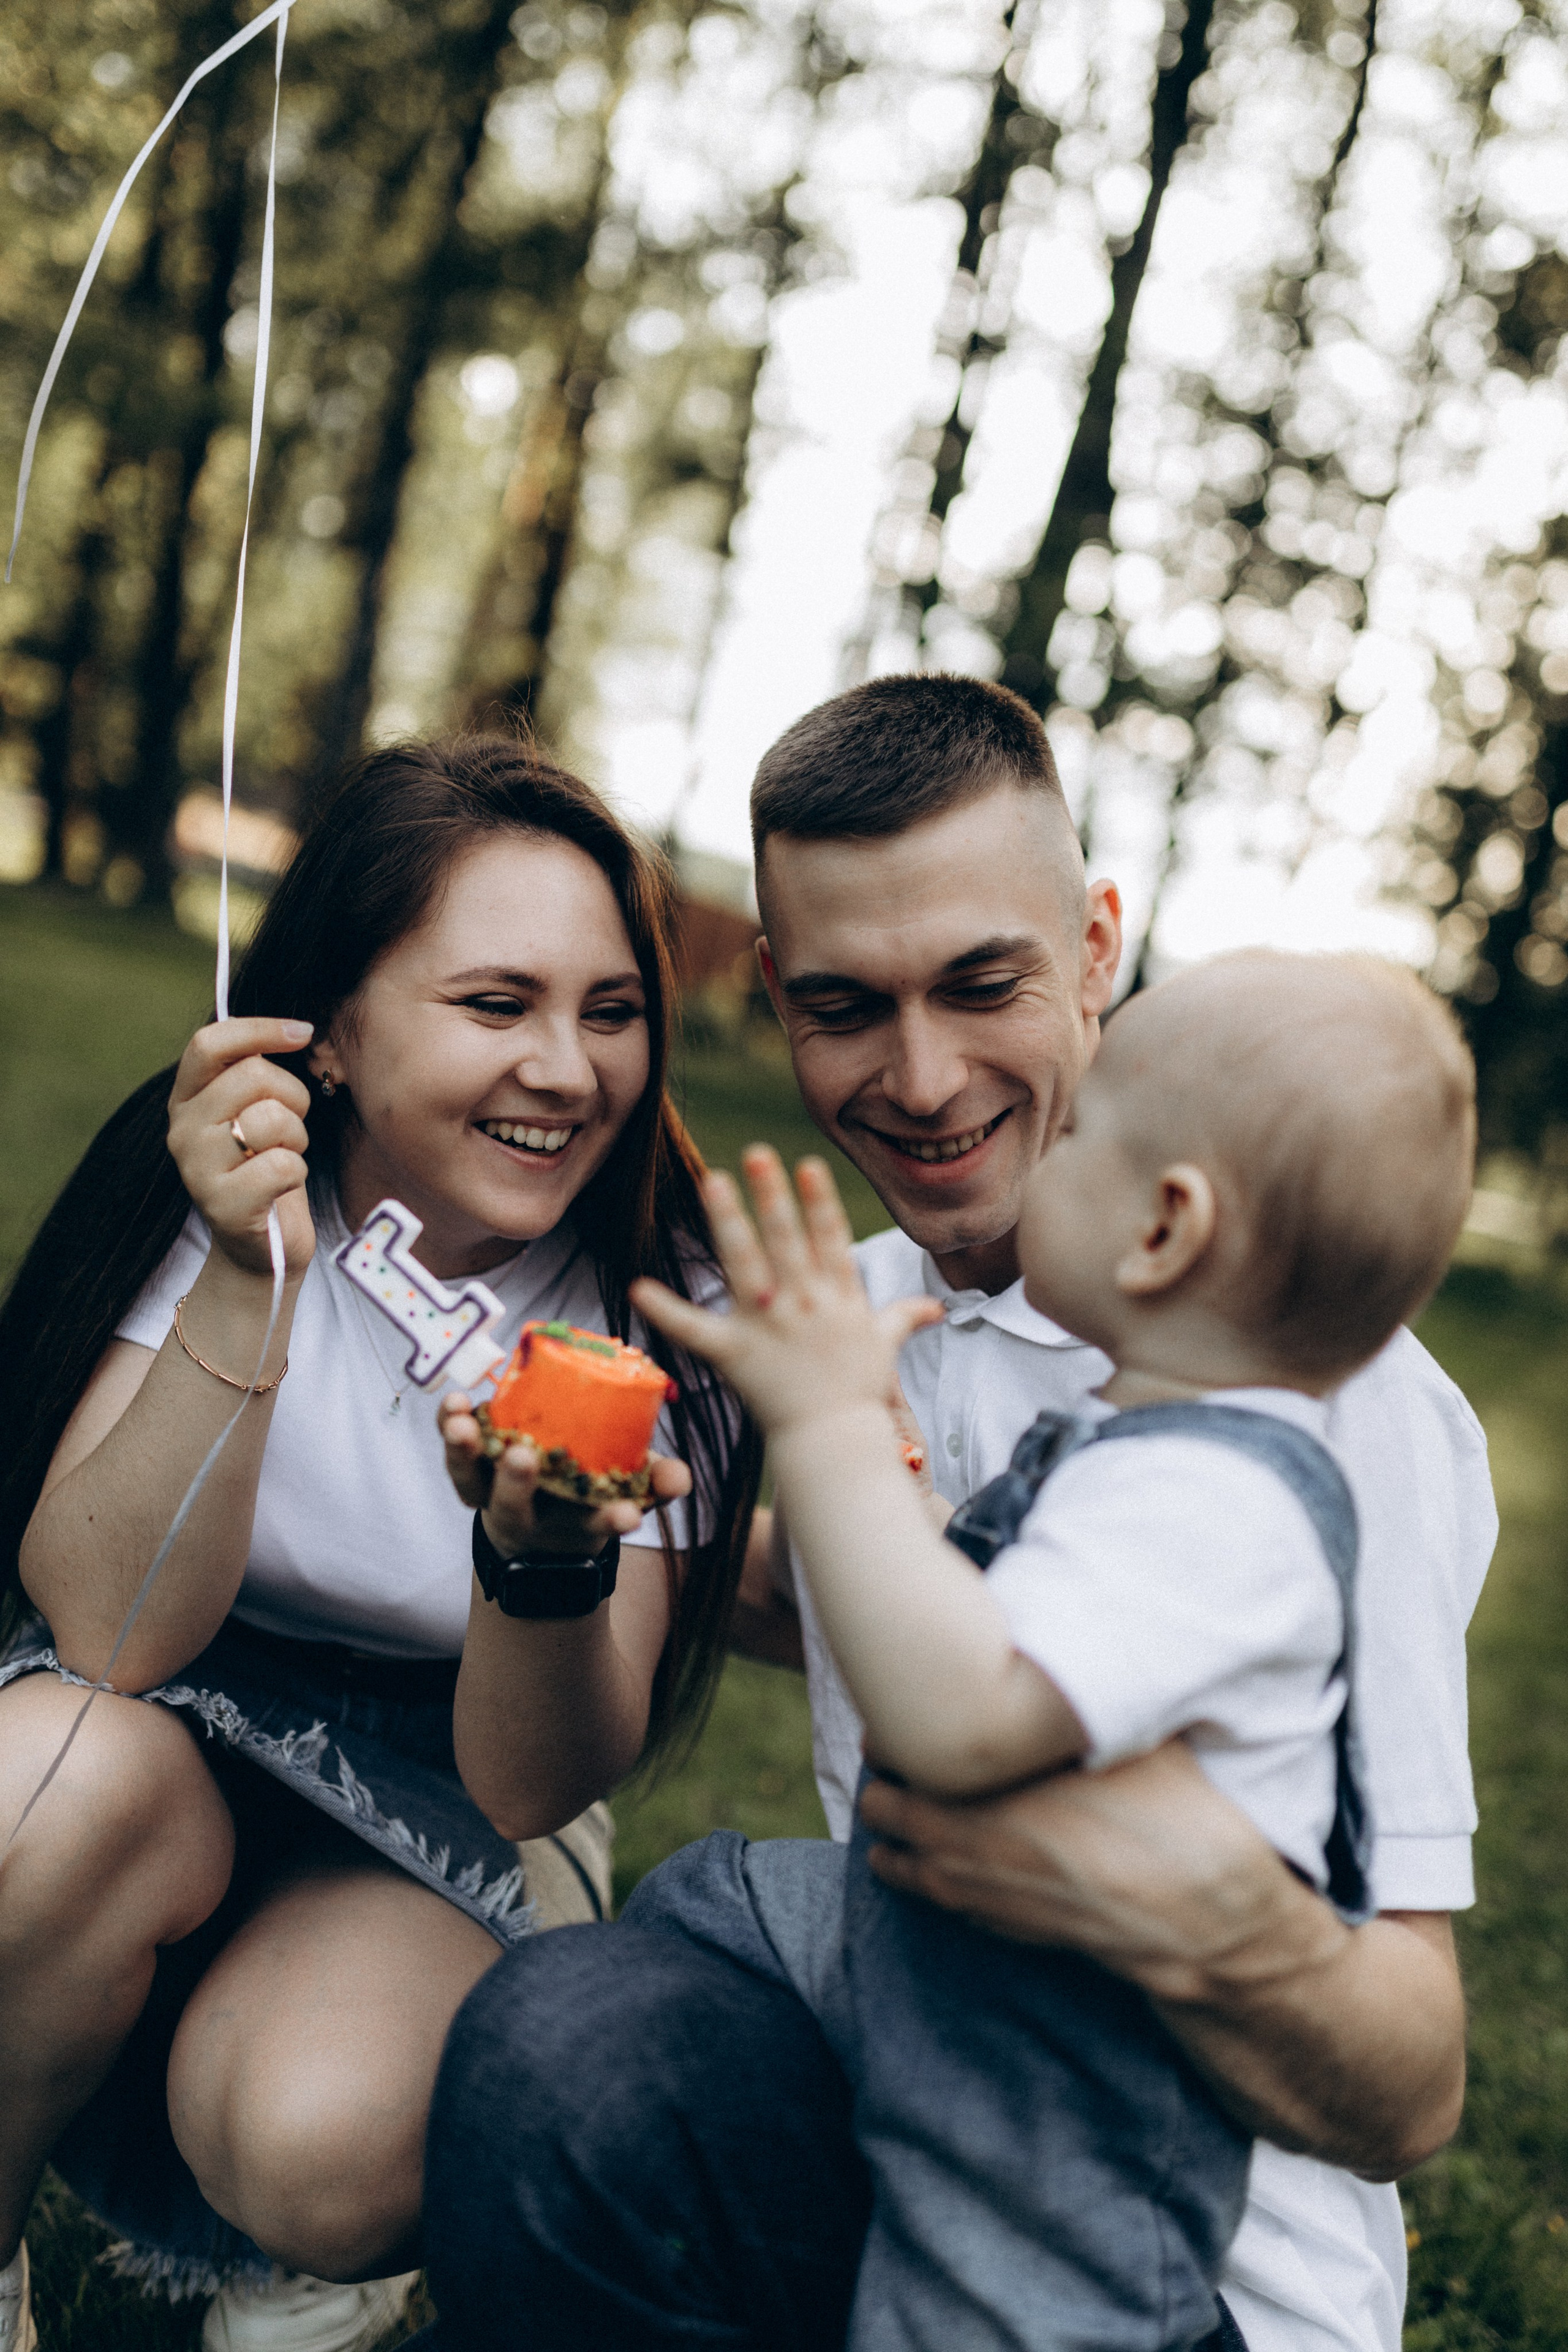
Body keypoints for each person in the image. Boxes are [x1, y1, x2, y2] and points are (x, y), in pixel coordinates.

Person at [421, 676, 1494, 2352]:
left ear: (1097, 948)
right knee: (572, 2037)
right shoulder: (843, 1322)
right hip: (908, 2118)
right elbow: (731, 1648)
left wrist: (1221, 1922)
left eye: (982, 984)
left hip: (1176, 2269)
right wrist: (560, 1537)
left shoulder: (1327, 1406)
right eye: (847, 1006)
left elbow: (1413, 2077)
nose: (922, 1081)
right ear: (772, 996)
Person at [0, 734, 759, 2352]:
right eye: (499, 1004)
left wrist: (539, 1558)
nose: (567, 1069)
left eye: (611, 1012)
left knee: (315, 2133)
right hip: (158, 1710)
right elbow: (108, 1634)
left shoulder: (663, 1294)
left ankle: (318, 2252)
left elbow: (536, 1782)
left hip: (447, 1788)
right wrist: (240, 1277)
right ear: (333, 1029)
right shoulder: (223, 1166)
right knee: (39, 1800)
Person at [627, 944, 1474, 2351]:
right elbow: (999, 1619)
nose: (1043, 1151)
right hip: (984, 1989)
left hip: (1077, 2109)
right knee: (705, 1907)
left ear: (1163, 1232)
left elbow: (963, 1714)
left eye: (1080, 1133)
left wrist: (831, 1425)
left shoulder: (1206, 1496)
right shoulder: (1162, 1455)